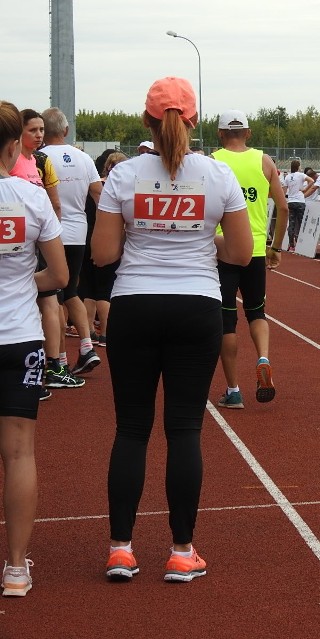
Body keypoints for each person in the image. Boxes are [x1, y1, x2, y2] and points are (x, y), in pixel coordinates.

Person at [91, 77, 252, 583]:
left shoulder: (122, 175)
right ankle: (182, 552)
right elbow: (242, 254)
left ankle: (121, 548)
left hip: (135, 306)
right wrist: (203, 246)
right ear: (194, 120)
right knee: (184, 429)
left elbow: (103, 255)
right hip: (196, 306)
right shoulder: (218, 174)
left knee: (131, 429)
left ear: (147, 122)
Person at [0, 100, 69, 597]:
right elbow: (61, 277)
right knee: (19, 453)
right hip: (20, 335)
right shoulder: (30, 197)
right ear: (13, 145)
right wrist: (24, 282)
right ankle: (17, 569)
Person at [211, 109, 289, 409]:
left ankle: (233, 390)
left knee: (226, 321)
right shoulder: (264, 161)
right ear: (249, 132)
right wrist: (276, 248)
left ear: (220, 134)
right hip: (255, 250)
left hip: (221, 250)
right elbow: (283, 208)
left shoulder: (212, 162)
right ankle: (263, 358)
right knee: (257, 312)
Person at [9, 109, 82, 396]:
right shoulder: (12, 164)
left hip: (40, 241)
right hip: (22, 246)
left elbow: (54, 203)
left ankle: (52, 365)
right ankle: (46, 367)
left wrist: (50, 235)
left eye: (42, 129)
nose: (39, 135)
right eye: (33, 130)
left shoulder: (41, 160)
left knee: (52, 302)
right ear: (17, 137)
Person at [40, 107, 104, 376]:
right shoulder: (83, 158)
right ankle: (87, 346)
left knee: (50, 297)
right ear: (66, 130)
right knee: (71, 291)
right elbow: (100, 196)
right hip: (78, 231)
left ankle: (59, 359)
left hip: (49, 233)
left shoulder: (38, 157)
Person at [80, 150, 125, 349]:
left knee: (88, 287)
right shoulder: (119, 188)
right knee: (105, 288)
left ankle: (88, 332)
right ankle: (106, 333)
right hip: (108, 238)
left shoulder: (94, 186)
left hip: (87, 236)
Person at [282, 159, 313, 252]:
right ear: (298, 167)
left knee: (291, 224)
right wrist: (304, 189)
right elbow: (311, 181)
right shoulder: (301, 175)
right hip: (300, 201)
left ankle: (291, 245)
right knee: (301, 223)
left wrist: (284, 200)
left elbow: (284, 190)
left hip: (291, 201)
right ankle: (301, 244)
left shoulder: (287, 177)